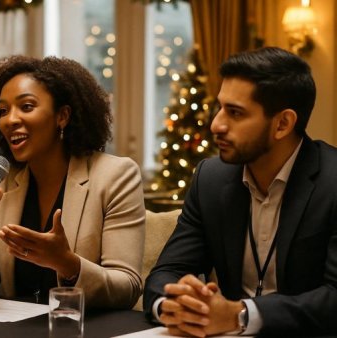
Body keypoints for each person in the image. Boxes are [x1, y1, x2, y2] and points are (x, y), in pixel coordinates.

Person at [144, 46, 337, 337]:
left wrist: (242, 314)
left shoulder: (332, 182)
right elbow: (166, 273)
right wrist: (174, 304)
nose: (216, 124)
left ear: (282, 124)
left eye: (235, 113)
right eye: (219, 108)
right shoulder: (210, 178)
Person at [0, 55, 145, 309]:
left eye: (26, 106)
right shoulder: (5, 179)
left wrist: (67, 263)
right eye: (3, 111)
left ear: (63, 116)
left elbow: (128, 287)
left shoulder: (116, 176)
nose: (10, 119)